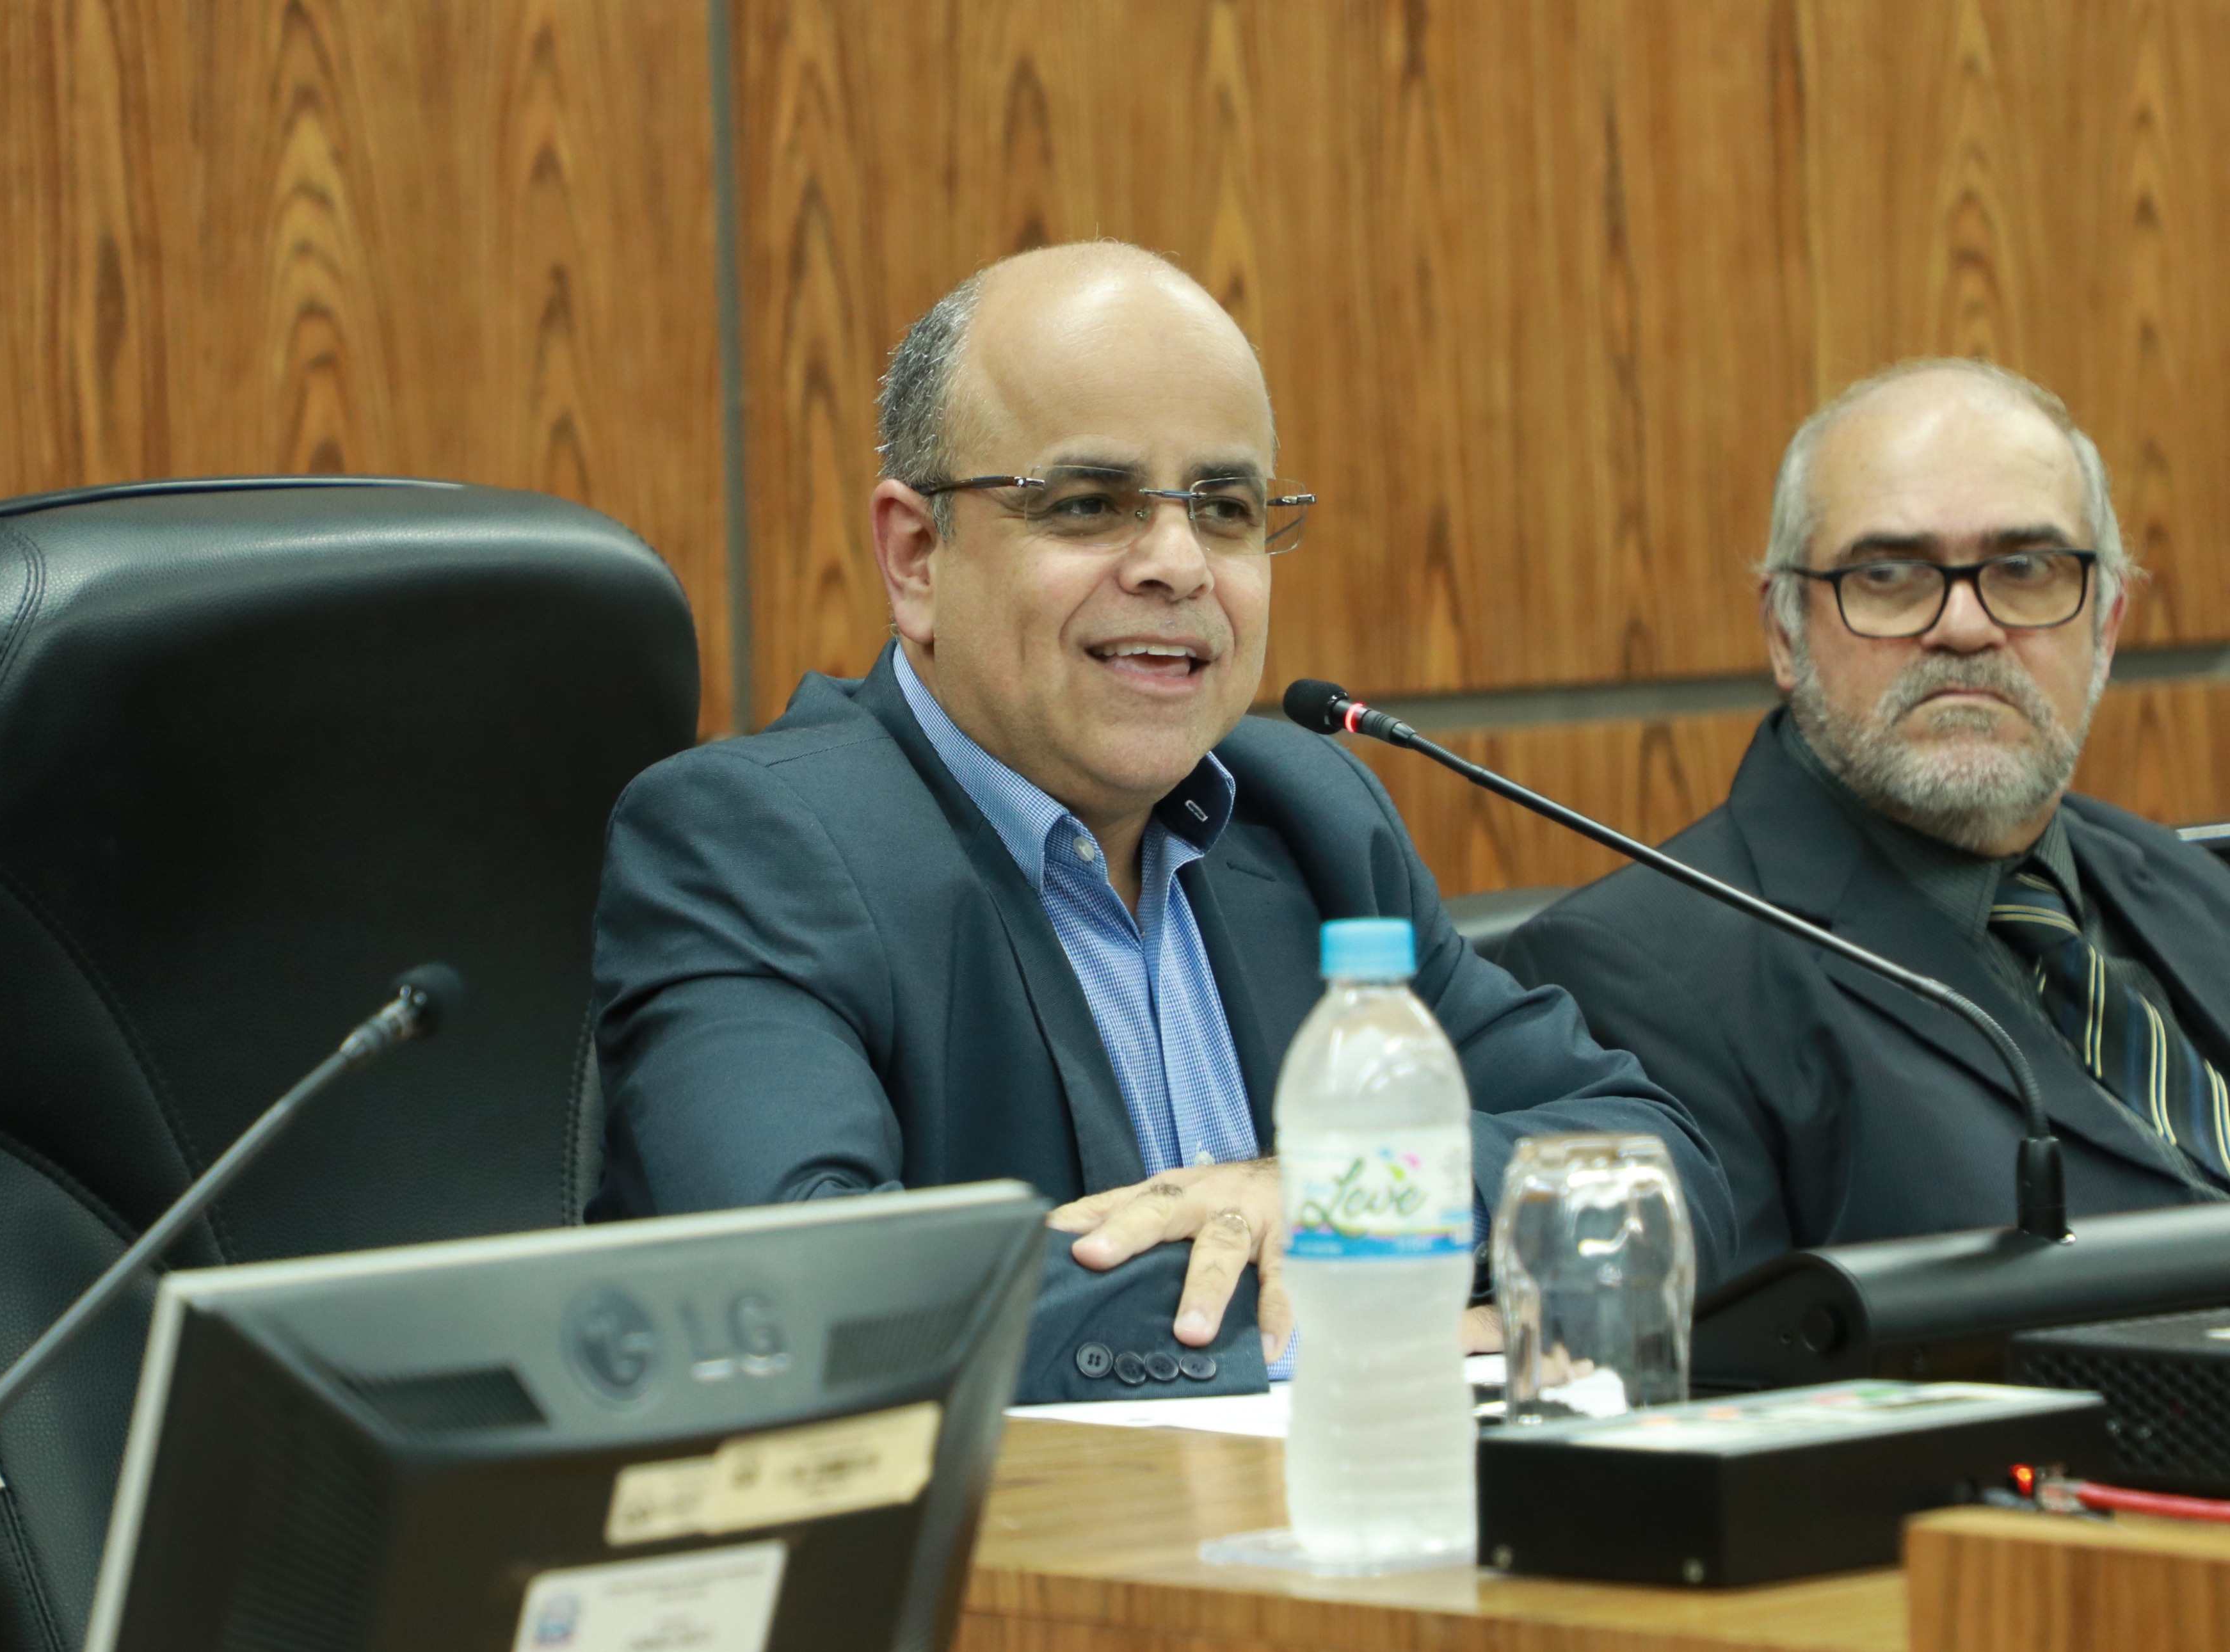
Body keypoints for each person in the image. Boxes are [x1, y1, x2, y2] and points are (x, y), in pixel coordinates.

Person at [588, 241, 1733, 1399]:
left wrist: (1341, 1200)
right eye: (1090, 504)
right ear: (918, 554)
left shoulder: (1309, 817)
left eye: (1226, 509)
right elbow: (798, 1291)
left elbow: (1659, 1168)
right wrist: (1356, 1296)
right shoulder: (755, 841)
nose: (1180, 565)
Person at [1503, 359, 2230, 1278]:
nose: (1965, 626)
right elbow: (1737, 1361)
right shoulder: (1631, 982)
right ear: (1784, 632)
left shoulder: (2192, 887)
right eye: (1888, 573)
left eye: (2026, 569)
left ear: (2107, 626)